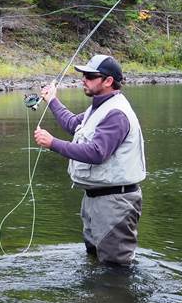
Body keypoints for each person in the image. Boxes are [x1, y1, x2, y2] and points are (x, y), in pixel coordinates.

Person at [33, 55, 146, 266]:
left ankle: (117, 299)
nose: (83, 79)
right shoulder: (97, 108)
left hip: (115, 204)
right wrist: (52, 100)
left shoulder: (116, 113)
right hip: (96, 200)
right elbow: (72, 123)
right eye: (83, 75)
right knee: (94, 262)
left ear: (108, 81)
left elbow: (96, 152)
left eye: (90, 76)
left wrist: (52, 143)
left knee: (115, 269)